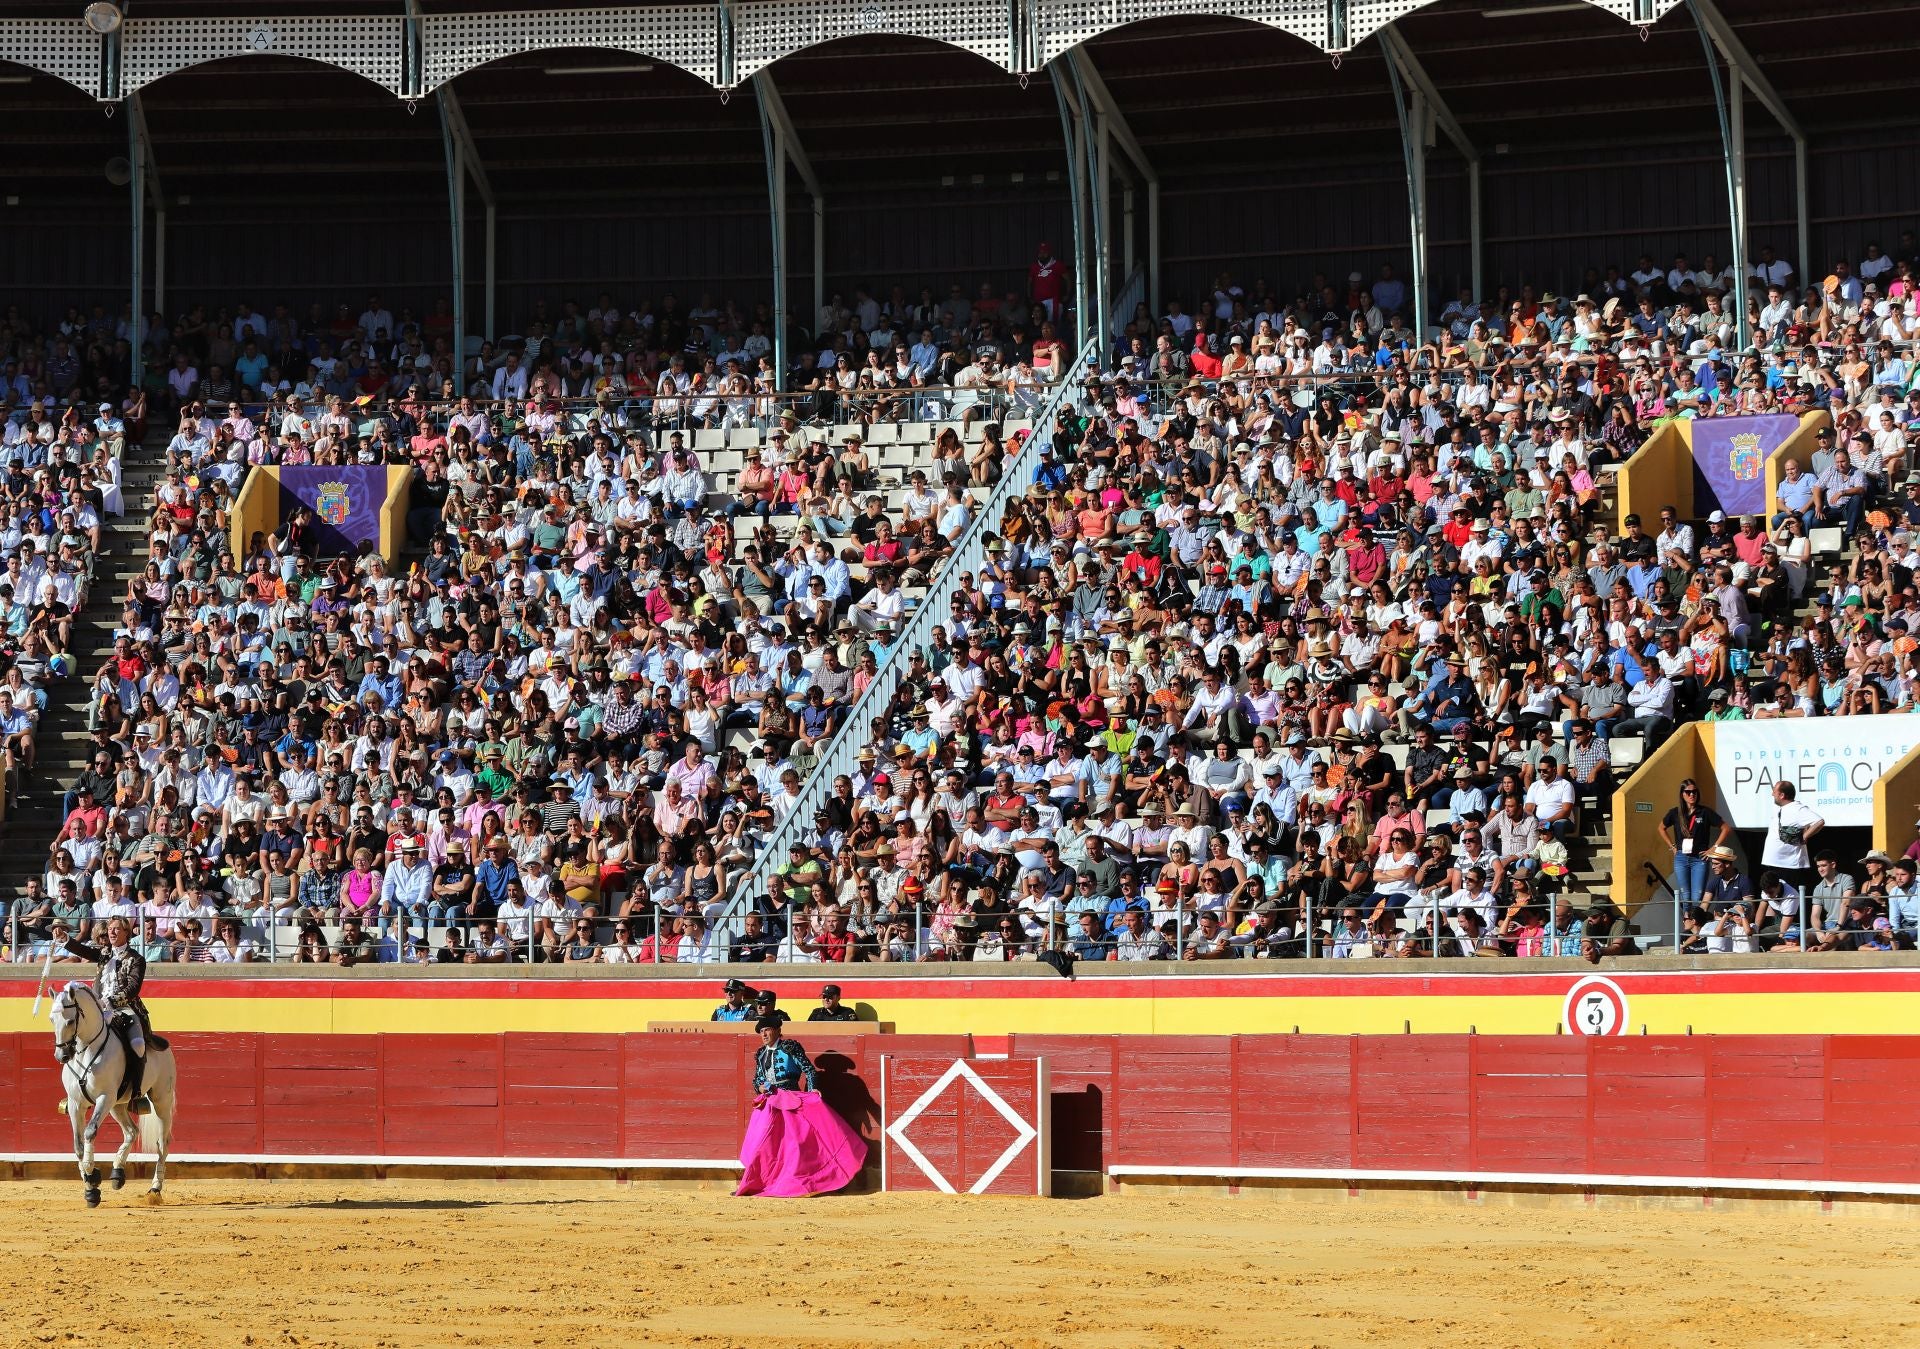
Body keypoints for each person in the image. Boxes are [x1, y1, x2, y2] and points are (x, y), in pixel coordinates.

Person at [734, 1015, 867, 1198]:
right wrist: (760, 1086)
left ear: (778, 1031)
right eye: (761, 1031)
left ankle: (812, 1181)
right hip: (770, 1102)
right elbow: (757, 1079)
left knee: (796, 1145)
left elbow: (809, 1070)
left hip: (791, 1099)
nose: (764, 1034)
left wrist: (812, 1090)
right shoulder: (761, 1053)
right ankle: (759, 1182)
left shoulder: (789, 1047)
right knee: (762, 1145)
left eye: (767, 1030)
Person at [61, 914, 157, 1113]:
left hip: (125, 1009)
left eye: (116, 929)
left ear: (126, 933)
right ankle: (73, 1090)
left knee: (138, 1045)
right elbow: (84, 951)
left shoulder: (137, 959)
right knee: (73, 1033)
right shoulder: (104, 953)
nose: (111, 932)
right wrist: (65, 939)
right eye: (110, 929)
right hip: (99, 1008)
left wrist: (111, 1001)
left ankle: (137, 1093)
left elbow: (132, 989)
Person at [1659, 779, 1731, 907]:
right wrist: (1672, 847)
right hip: (1681, 858)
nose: (1692, 795)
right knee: (1685, 896)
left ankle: (1696, 924)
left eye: (1694, 792)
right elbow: (1661, 828)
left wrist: (1713, 848)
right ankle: (1688, 924)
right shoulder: (1675, 813)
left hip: (1700, 858)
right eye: (1688, 792)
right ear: (1682, 794)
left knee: (1697, 896)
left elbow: (1726, 828)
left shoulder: (1705, 812)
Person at [1761, 781, 1823, 896]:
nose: (1772, 794)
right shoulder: (1781, 809)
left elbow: (1819, 821)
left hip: (1789, 865)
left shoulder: (1797, 809)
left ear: (1782, 795)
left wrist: (1804, 836)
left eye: (1774, 791)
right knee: (1772, 899)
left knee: (1790, 900)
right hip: (1774, 863)